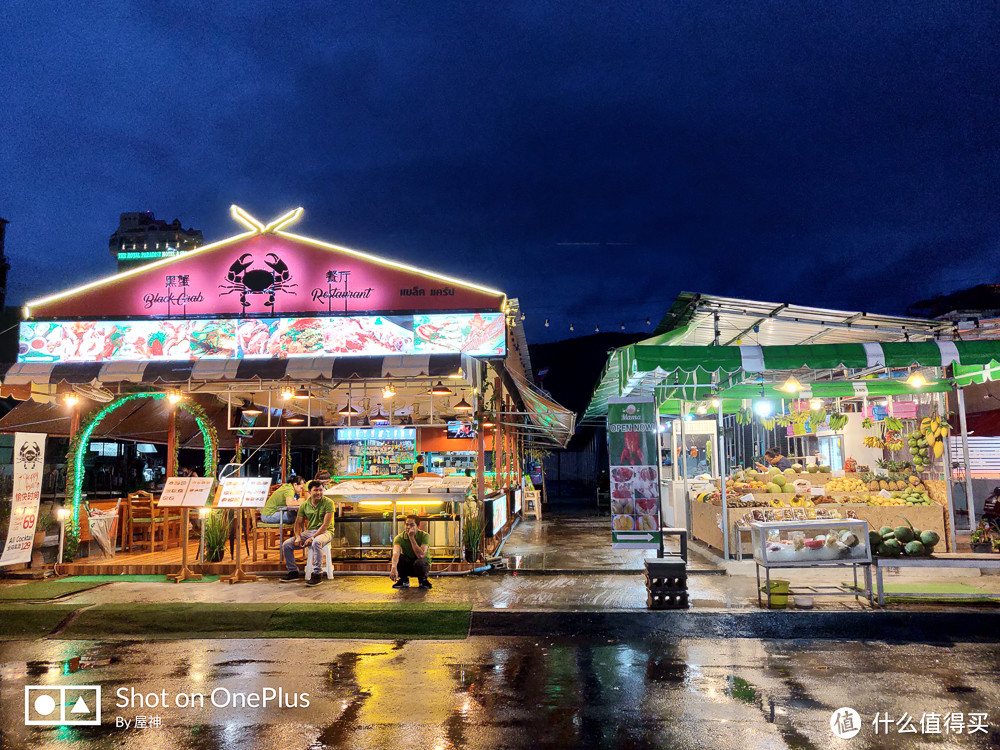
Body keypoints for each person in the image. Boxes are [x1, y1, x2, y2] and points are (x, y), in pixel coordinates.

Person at [280, 480, 334, 586]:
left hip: (325, 532)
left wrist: (313, 538)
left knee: (316, 542)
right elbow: (297, 524)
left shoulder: (328, 503)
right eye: (315, 490)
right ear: (309, 491)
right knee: (286, 544)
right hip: (309, 532)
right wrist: (297, 537)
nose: (318, 492)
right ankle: (293, 571)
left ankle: (317, 574)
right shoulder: (304, 505)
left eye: (320, 490)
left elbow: (325, 526)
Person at [390, 514, 432, 589]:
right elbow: (396, 552)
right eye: (407, 525)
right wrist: (394, 567)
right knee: (398, 557)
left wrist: (411, 538)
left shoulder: (425, 536)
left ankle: (422, 580)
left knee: (419, 562)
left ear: (418, 526)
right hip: (409, 564)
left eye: (412, 525)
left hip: (421, 565)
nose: (409, 527)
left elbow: (420, 555)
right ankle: (403, 580)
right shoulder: (399, 537)